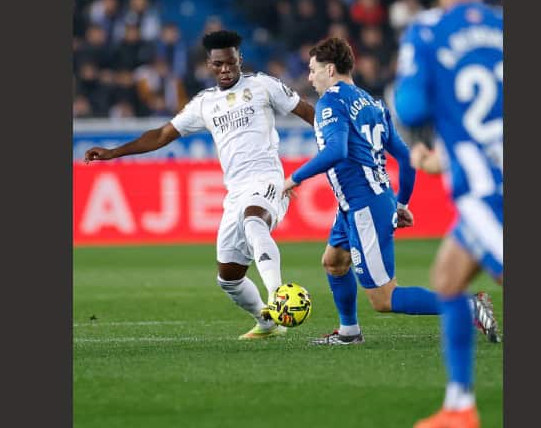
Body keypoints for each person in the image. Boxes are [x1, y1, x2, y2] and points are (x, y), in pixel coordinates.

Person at [85, 30, 316, 340]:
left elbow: (309, 113)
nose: (225, 69)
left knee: (253, 221)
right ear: (209, 64)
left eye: (231, 63)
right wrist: (114, 152)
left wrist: (335, 143)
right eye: (219, 64)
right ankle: (267, 322)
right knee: (229, 279)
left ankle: (279, 296)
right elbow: (162, 135)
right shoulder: (204, 104)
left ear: (239, 60)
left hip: (268, 179)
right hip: (235, 190)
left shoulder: (263, 85)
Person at [282, 37, 497, 346]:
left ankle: (468, 306)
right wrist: (402, 202)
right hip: (361, 203)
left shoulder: (331, 101)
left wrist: (294, 178)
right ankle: (348, 332)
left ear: (329, 70)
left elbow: (337, 150)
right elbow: (408, 160)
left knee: (384, 298)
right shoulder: (373, 103)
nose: (309, 77)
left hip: (363, 206)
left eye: (313, 69)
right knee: (334, 261)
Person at [394, 0, 503, 428]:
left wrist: (425, 141)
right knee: (448, 276)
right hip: (486, 178)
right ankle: (460, 406)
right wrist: (442, 158)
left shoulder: (428, 30)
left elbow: (412, 108)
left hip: (490, 192)